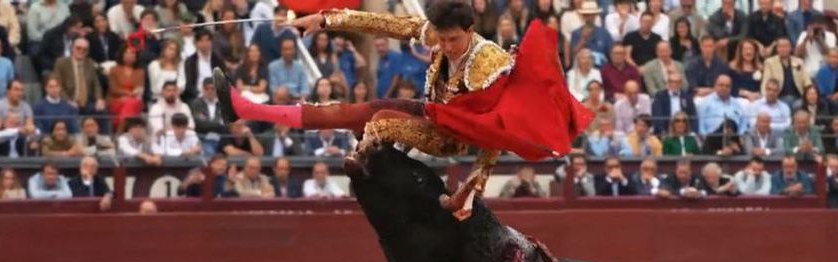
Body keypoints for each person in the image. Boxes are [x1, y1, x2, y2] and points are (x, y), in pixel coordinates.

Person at [222, 0, 591, 219]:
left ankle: (376, 190)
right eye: (441, 38)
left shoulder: (487, 63)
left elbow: (497, 130)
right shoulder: (438, 33)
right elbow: (388, 23)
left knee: (382, 124)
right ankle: (249, 110)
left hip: (454, 137)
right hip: (432, 110)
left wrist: (471, 188)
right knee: (349, 112)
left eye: (453, 39)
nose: (445, 46)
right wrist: (326, 19)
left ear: (471, 29)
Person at [696, 74, 747, 155]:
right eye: (721, 85)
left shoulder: (737, 104)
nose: (724, 88)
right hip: (712, 143)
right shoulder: (705, 103)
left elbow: (743, 126)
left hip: (733, 143)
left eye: (727, 86)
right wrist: (707, 141)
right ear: (715, 86)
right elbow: (701, 127)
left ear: (731, 88)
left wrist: (739, 140)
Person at [761, 38, 810, 108]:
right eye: (781, 46)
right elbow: (766, 81)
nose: (783, 49)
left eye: (786, 46)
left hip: (798, 97)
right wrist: (765, 98)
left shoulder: (799, 62)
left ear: (791, 48)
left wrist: (809, 93)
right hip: (779, 98)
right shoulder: (769, 62)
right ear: (777, 49)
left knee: (800, 105)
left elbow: (807, 81)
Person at [108, 46, 146, 132]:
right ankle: (122, 130)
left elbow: (139, 88)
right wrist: (127, 94)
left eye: (132, 53)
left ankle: (119, 131)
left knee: (132, 103)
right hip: (116, 100)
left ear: (136, 56)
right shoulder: (114, 70)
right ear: (122, 55)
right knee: (130, 104)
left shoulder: (140, 71)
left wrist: (129, 97)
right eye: (127, 53)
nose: (129, 55)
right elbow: (113, 88)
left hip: (134, 100)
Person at [182, 29, 223, 102]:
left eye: (207, 40)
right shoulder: (190, 61)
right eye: (201, 40)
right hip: (197, 95)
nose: (205, 43)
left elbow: (222, 80)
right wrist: (201, 93)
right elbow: (189, 84)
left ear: (211, 42)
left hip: (216, 95)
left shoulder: (217, 59)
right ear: (196, 43)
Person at [570, 1, 613, 66]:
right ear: (583, 16)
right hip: (582, 69)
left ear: (595, 15)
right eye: (587, 15)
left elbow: (611, 53)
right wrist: (583, 40)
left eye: (592, 14)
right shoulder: (576, 33)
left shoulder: (604, 33)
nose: (590, 17)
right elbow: (574, 55)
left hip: (601, 70)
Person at [795, 13, 836, 78]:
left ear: (824, 26)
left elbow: (830, 53)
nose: (817, 30)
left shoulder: (830, 36)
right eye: (815, 27)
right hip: (808, 72)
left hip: (824, 72)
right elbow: (798, 55)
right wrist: (807, 38)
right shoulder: (803, 35)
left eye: (819, 27)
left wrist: (819, 40)